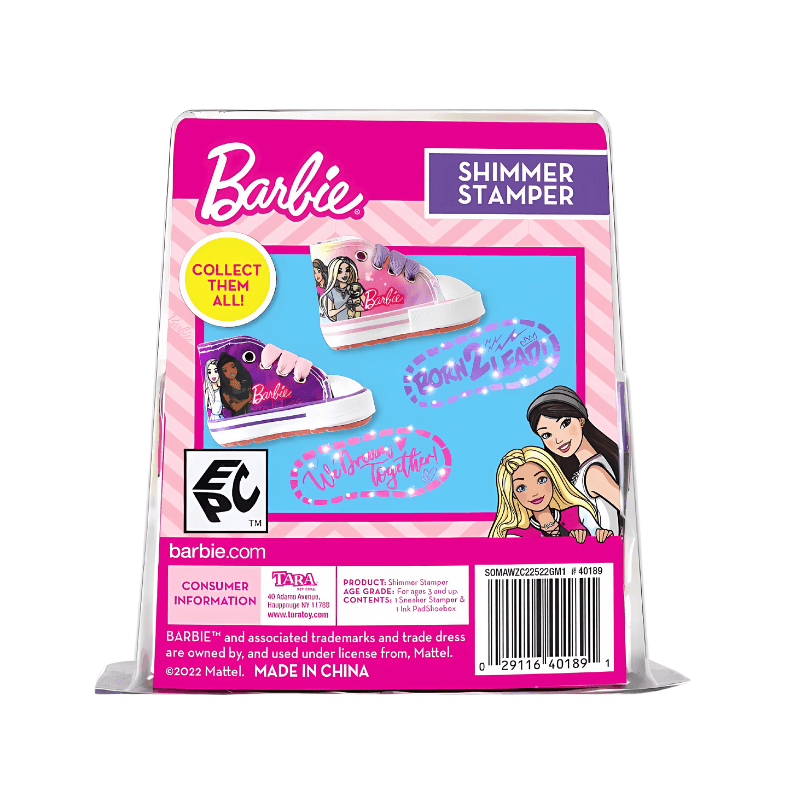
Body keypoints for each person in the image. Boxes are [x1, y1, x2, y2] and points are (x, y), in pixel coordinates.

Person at [526, 386, 621, 536]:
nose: (558, 440)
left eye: (564, 424)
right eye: (546, 435)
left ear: (581, 420)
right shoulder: (582, 470)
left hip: (605, 548)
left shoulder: (593, 473)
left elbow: (630, 512)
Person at [489, 446, 613, 541]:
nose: (534, 492)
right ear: (513, 495)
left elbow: (600, 541)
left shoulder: (579, 513)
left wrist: (601, 536)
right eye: (522, 488)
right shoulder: (514, 535)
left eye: (541, 480)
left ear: (553, 479)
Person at [318, 256, 364, 321]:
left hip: (356, 322)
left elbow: (366, 307)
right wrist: (343, 307)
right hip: (340, 323)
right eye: (339, 271)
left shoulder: (355, 288)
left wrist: (353, 307)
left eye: (347, 270)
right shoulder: (331, 292)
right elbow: (330, 313)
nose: (344, 274)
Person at [217, 352, 253, 416]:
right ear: (222, 373)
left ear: (237, 367)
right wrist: (248, 398)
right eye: (225, 370)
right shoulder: (225, 390)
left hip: (251, 413)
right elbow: (235, 407)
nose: (230, 371)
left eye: (232, 367)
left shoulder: (245, 382)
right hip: (237, 418)